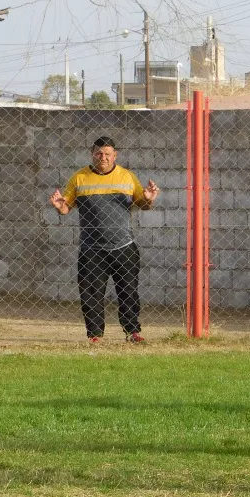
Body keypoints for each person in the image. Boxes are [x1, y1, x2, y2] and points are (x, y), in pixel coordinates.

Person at [50, 136, 159, 344]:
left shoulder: (127, 177)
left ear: (115, 155)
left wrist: (148, 199)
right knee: (91, 294)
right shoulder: (79, 178)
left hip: (124, 247)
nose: (103, 157)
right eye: (99, 153)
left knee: (128, 291)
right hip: (91, 249)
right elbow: (66, 208)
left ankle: (132, 331)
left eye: (107, 154)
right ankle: (95, 335)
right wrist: (59, 207)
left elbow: (142, 204)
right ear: (92, 154)